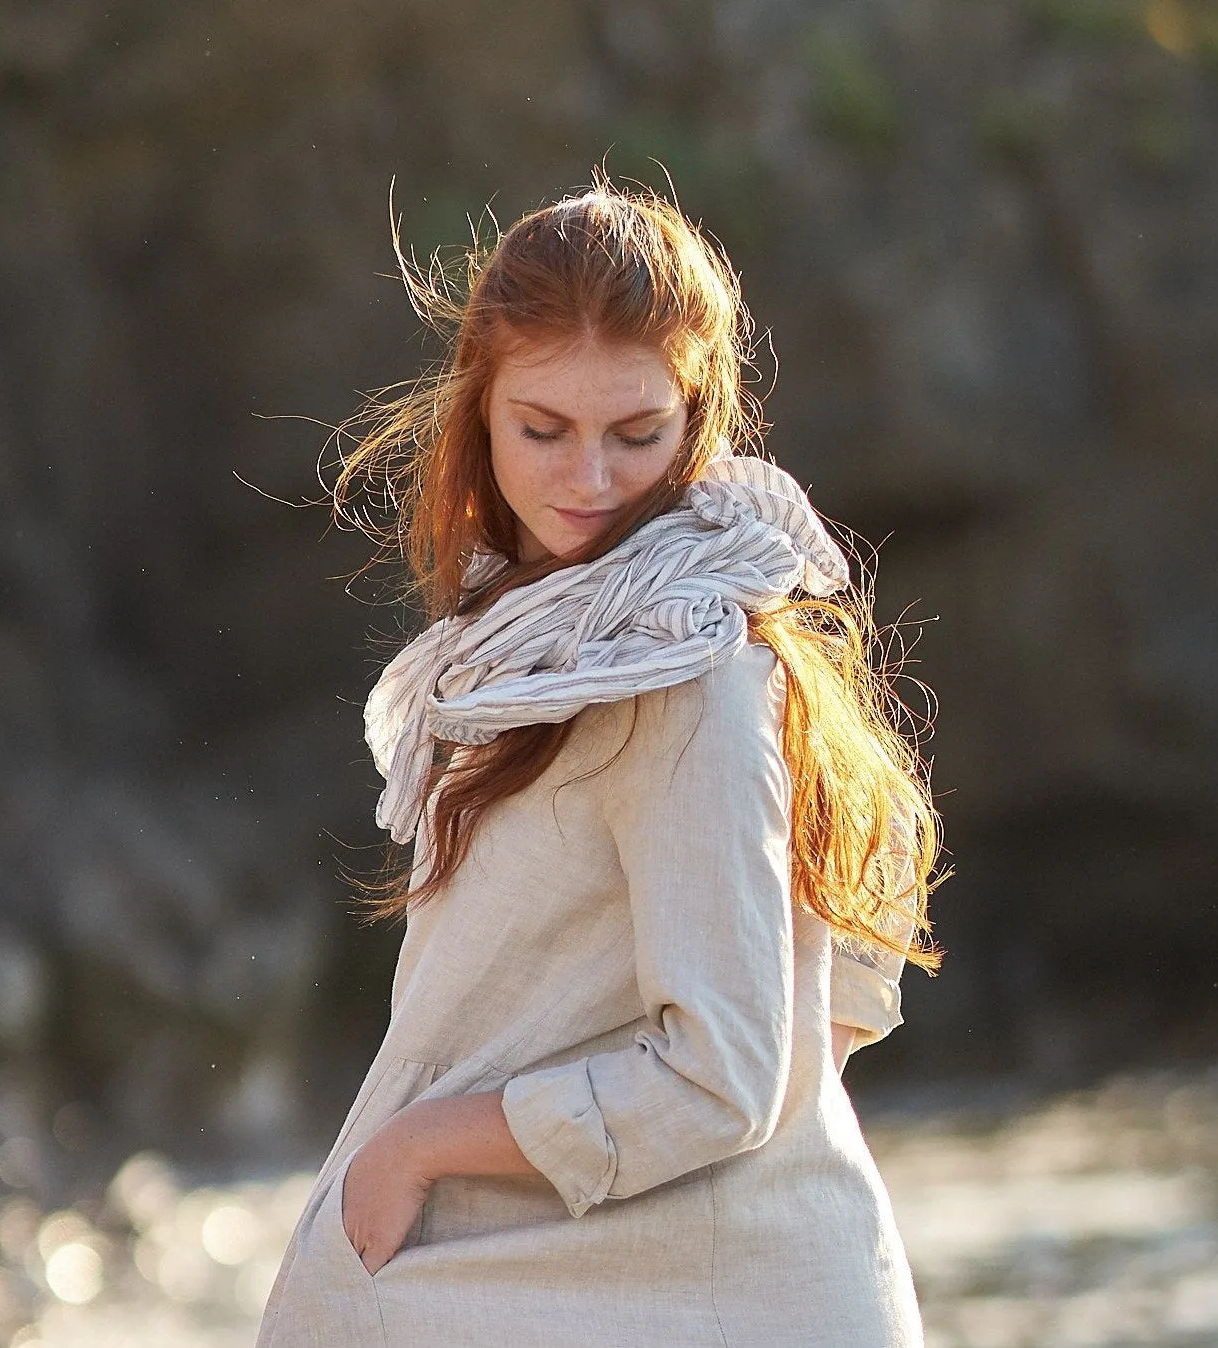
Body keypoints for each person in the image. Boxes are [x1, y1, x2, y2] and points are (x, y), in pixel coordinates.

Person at [255, 176, 945, 1347]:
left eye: (636, 434)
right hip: (618, 1272)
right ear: (477, 412)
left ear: (699, 417)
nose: (587, 482)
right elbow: (809, 1028)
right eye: (542, 430)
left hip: (677, 1295)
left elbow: (726, 1075)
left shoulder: (689, 668)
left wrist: (419, 1145)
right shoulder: (535, 648)